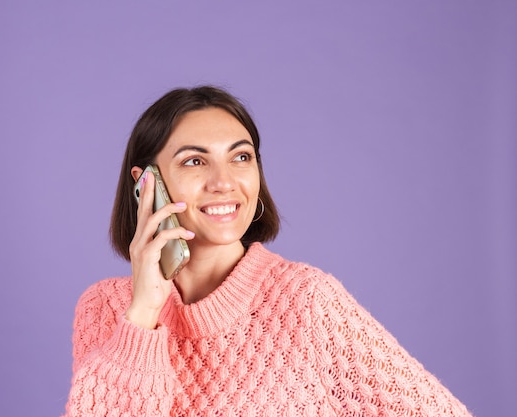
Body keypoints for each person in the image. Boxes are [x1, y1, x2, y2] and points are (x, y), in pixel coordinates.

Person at [62, 86, 472, 416]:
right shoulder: (105, 307)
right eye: (194, 162)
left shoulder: (307, 300)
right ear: (146, 183)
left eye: (241, 157)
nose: (224, 182)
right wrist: (144, 314)